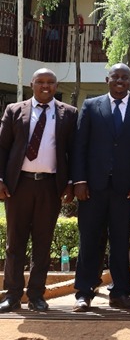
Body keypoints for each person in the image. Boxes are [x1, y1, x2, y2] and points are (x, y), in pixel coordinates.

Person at [72, 63, 130, 311]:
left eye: (124, 78)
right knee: (89, 240)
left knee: (121, 242)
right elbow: (80, 146)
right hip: (92, 188)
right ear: (107, 79)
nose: (120, 81)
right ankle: (84, 292)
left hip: (125, 189)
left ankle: (120, 292)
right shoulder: (91, 105)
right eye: (115, 77)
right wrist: (79, 181)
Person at [0, 69, 77, 313]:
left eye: (50, 82)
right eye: (41, 82)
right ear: (32, 84)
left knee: (43, 243)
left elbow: (73, 152)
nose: (46, 86)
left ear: (56, 86)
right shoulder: (14, 110)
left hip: (49, 186)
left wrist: (71, 183)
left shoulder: (69, 114)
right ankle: (12, 295)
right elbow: (2, 148)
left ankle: (36, 295)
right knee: (15, 243)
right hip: (18, 185)